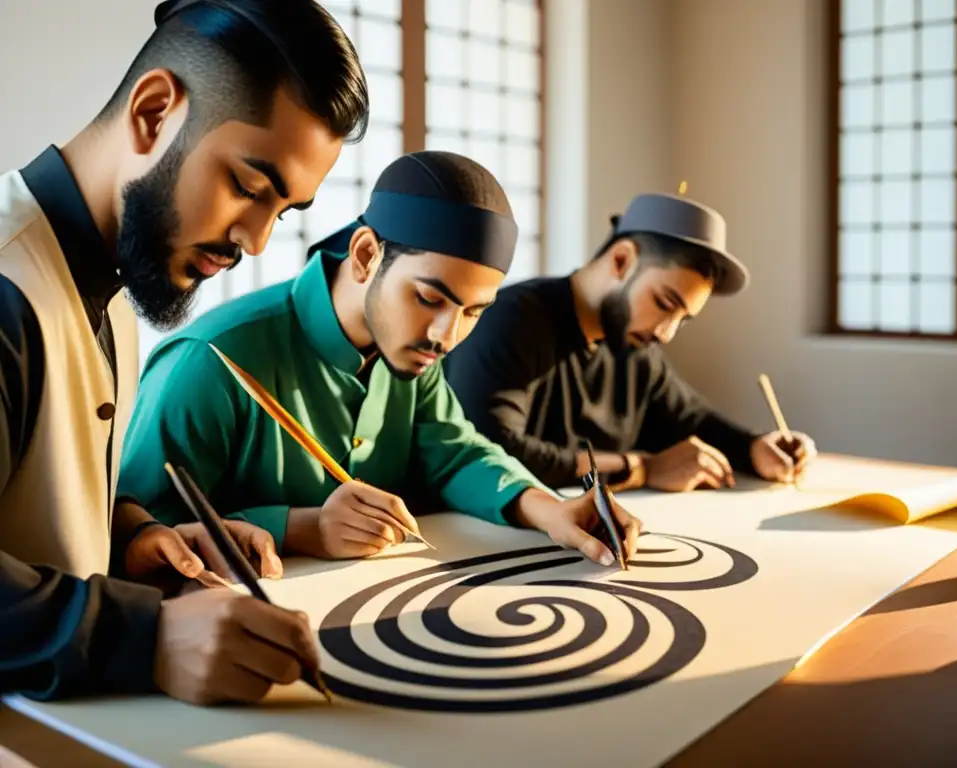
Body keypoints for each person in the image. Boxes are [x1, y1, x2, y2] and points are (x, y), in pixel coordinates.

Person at [0, 0, 369, 706]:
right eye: (249, 187)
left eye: (283, 211)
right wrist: (149, 638)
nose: (257, 241)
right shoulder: (7, 282)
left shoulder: (118, 279)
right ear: (153, 113)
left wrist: (137, 535)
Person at [116, 150, 641, 573]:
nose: (447, 335)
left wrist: (551, 509)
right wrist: (301, 527)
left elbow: (456, 452)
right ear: (366, 255)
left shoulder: (413, 350)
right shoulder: (209, 359)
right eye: (429, 299)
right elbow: (138, 527)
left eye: (474, 312)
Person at [442, 192, 819, 493]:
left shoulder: (633, 348)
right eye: (664, 304)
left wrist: (754, 447)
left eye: (682, 320)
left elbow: (689, 418)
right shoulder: (511, 320)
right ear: (622, 261)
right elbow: (490, 448)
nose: (665, 332)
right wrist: (641, 468)